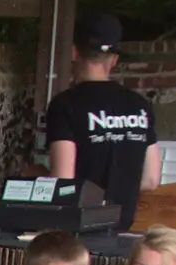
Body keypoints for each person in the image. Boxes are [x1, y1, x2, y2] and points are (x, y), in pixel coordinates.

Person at [45, 12, 161, 230]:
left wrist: (34, 175)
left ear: (74, 52)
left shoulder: (65, 105)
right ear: (114, 59)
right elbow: (151, 180)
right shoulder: (139, 105)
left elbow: (62, 181)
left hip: (76, 230)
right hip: (122, 227)